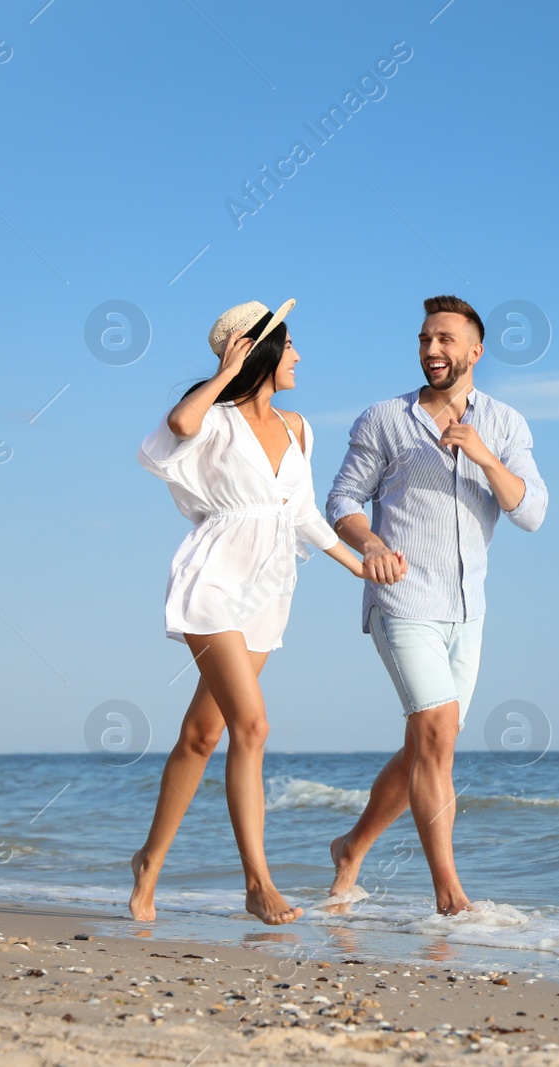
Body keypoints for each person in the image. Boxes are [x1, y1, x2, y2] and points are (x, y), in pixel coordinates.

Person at [129, 299, 369, 925]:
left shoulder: (299, 427)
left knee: (203, 734)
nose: (297, 356)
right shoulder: (215, 417)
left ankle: (148, 862)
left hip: (269, 587)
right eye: (288, 346)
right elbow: (178, 427)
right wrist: (221, 374)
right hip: (214, 580)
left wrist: (356, 563)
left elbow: (303, 512)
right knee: (253, 727)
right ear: (258, 351)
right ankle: (258, 883)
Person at [324, 294, 548, 916]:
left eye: (445, 340)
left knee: (433, 743)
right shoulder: (384, 420)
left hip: (469, 609)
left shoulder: (505, 425)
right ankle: (449, 893)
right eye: (425, 339)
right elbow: (340, 499)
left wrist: (482, 456)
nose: (432, 350)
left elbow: (531, 512)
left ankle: (351, 848)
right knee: (435, 734)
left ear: (476, 351)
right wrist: (368, 542)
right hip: (402, 598)